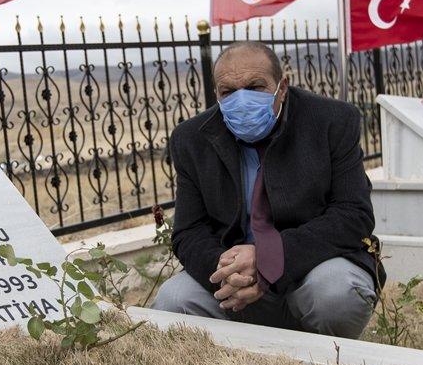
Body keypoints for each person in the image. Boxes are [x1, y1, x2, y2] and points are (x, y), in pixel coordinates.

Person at [153, 40, 382, 338]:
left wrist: (267, 259)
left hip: (310, 269)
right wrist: (231, 273)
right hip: (234, 282)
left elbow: (354, 215)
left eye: (255, 86)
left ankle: (323, 348)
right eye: (228, 92)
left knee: (336, 295)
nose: (242, 100)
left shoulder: (331, 122)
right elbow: (188, 231)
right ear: (217, 95)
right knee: (173, 302)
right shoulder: (192, 140)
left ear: (282, 87)